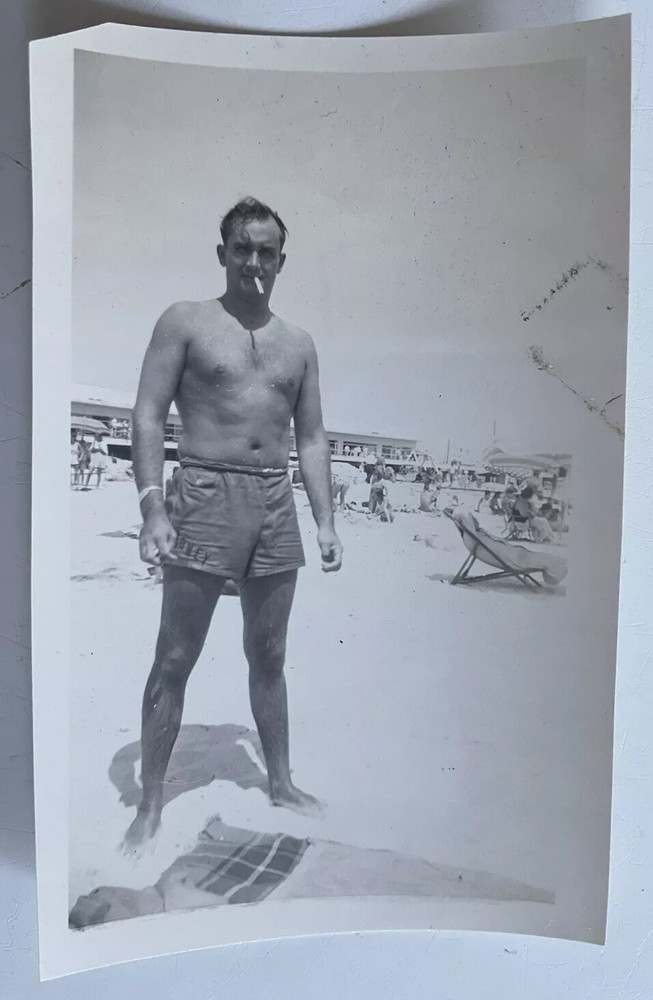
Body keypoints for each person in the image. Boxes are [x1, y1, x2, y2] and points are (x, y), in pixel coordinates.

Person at [124, 197, 343, 850]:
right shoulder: (186, 322)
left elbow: (311, 439)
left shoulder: (298, 344)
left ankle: (279, 781)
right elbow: (145, 414)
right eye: (242, 248)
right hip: (203, 496)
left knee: (269, 654)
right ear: (222, 253)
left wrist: (325, 520)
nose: (254, 262)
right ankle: (151, 804)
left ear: (281, 259)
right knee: (175, 656)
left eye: (266, 251)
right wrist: (152, 504)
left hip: (273, 504)